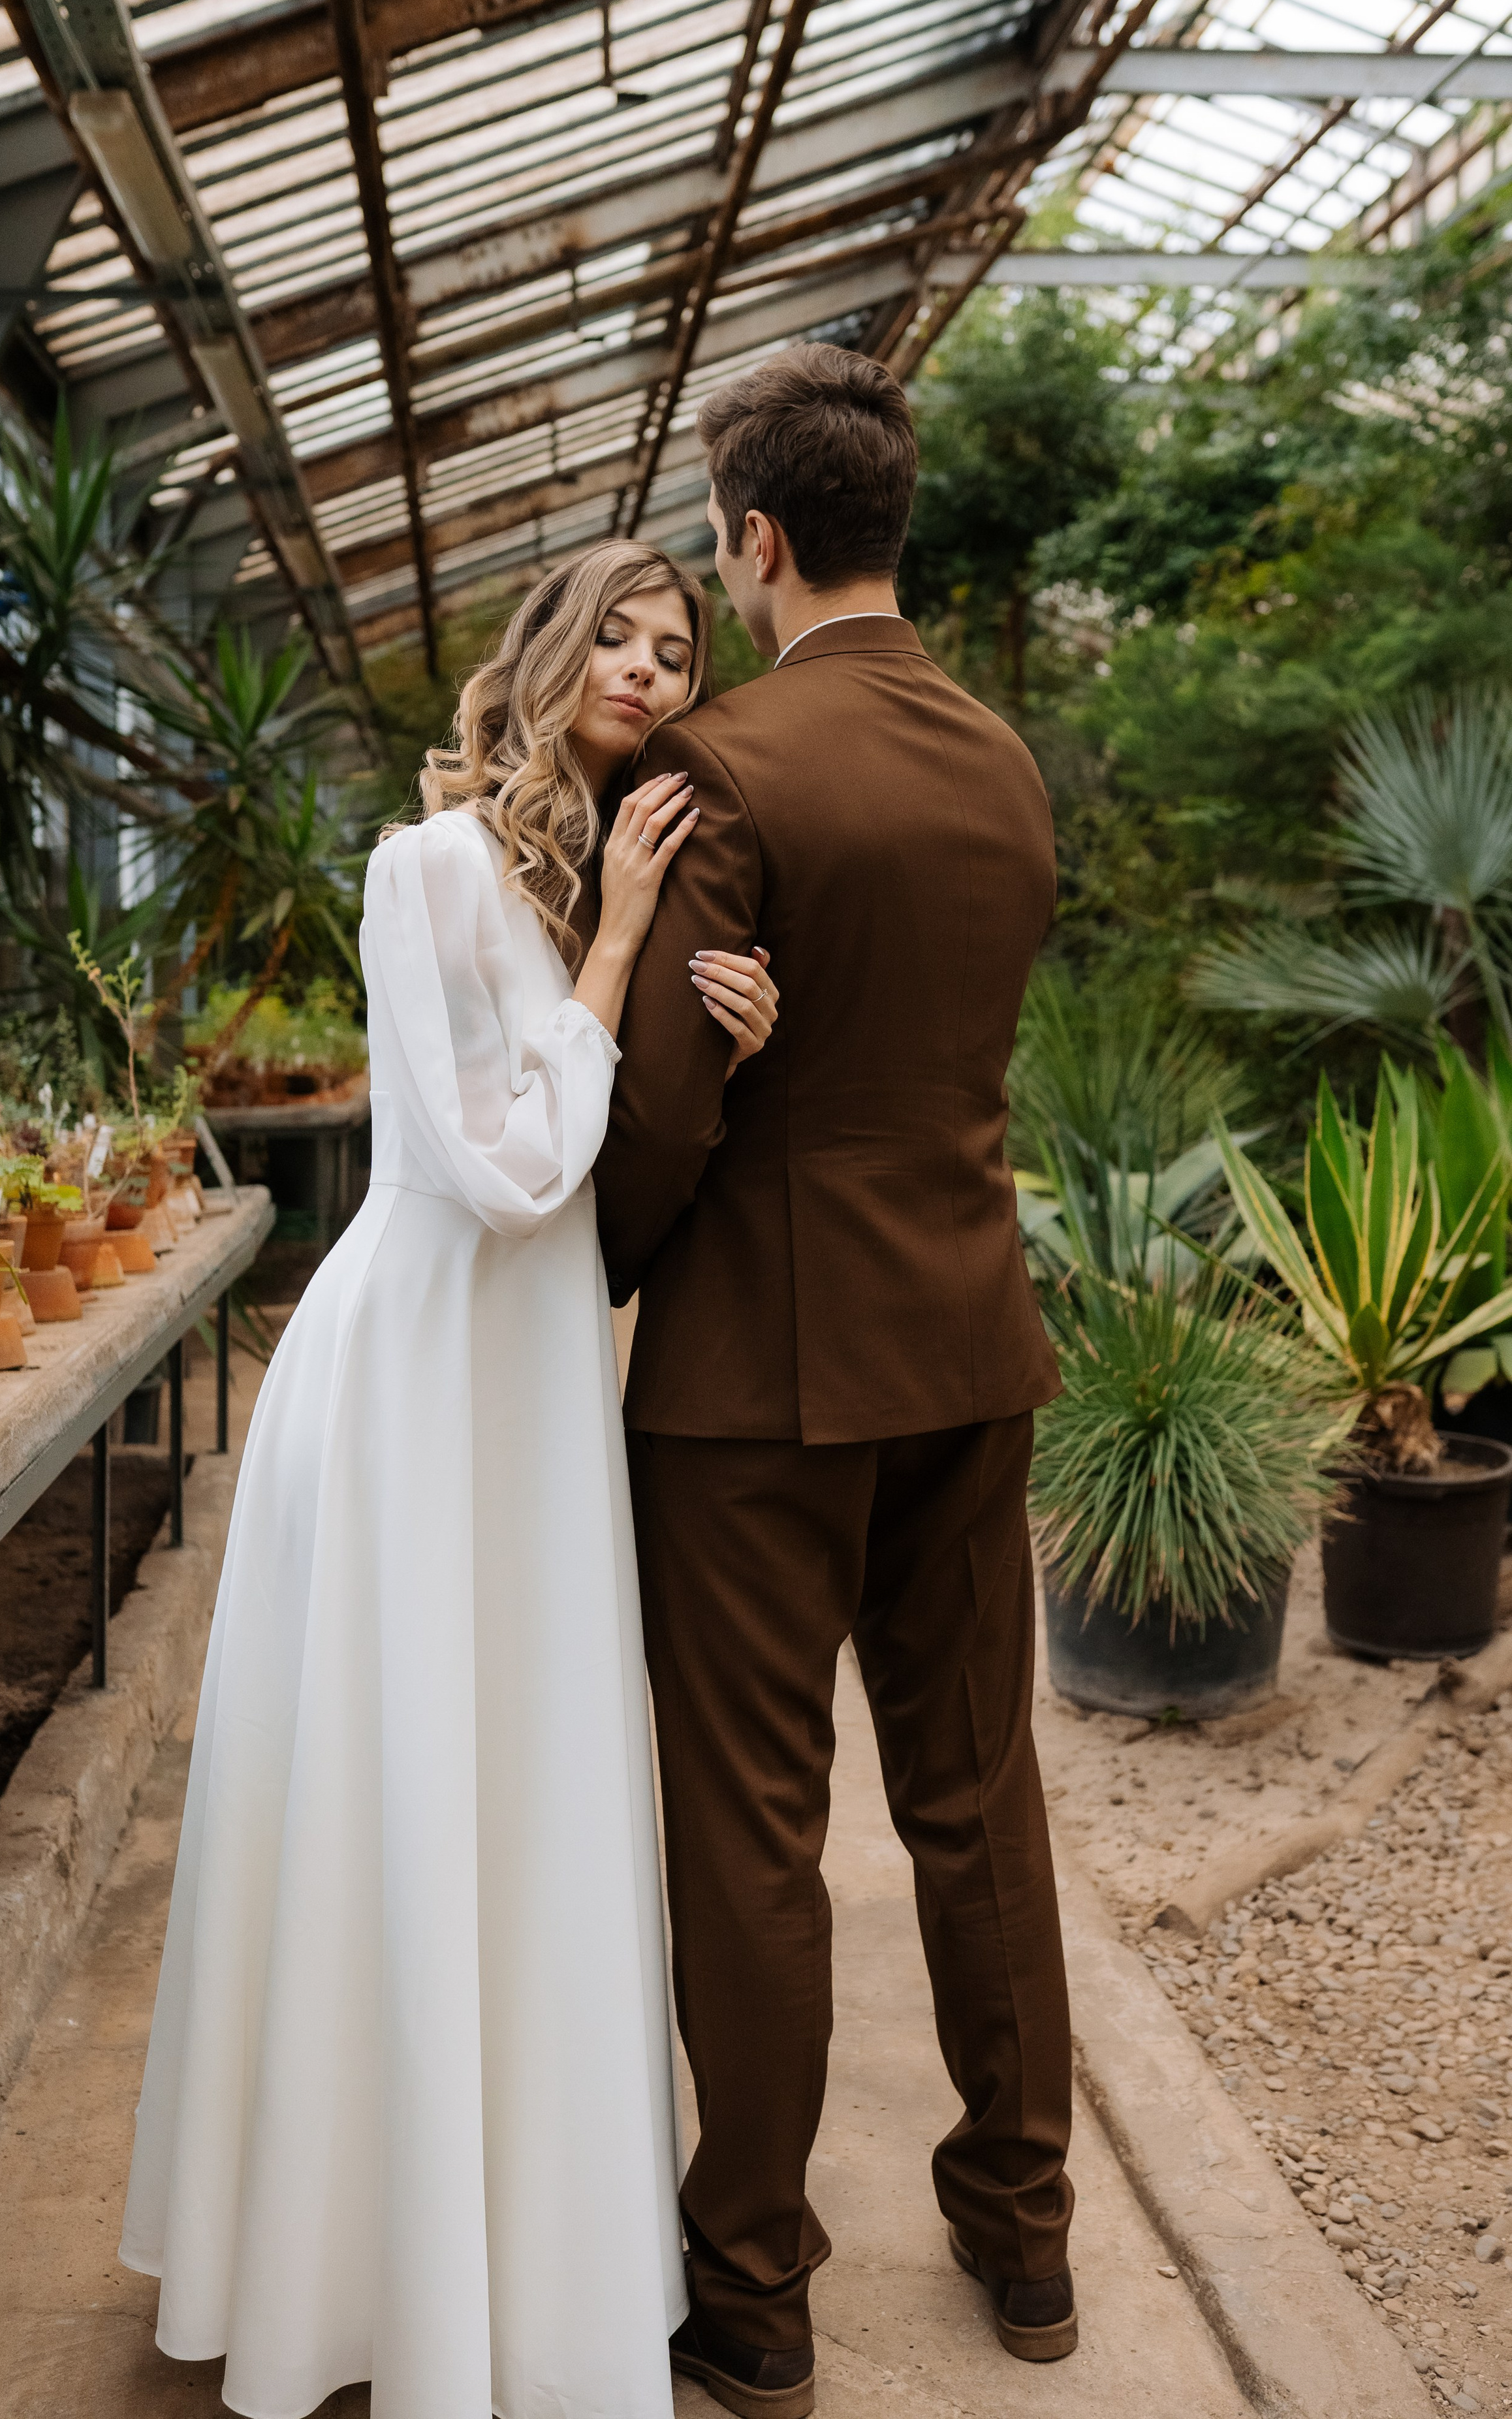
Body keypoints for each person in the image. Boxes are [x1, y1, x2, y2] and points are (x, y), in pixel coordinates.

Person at [118, 540, 779, 2419]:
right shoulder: (430, 867)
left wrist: (713, 1040)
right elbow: (506, 1169)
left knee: (525, 1789)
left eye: (679, 650)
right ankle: (357, 2289)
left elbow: (609, 1139)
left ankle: (524, 2279)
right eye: (627, 640)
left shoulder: (565, 872)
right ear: (554, 647)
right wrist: (628, 952)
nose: (652, 670)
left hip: (533, 1372)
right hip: (423, 1367)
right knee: (395, 1791)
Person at [592, 342, 1074, 2419]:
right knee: (977, 1799)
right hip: (969, 1345)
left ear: (757, 540)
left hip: (756, 1389)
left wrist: (582, 1263)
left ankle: (759, 2296)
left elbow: (669, 1120)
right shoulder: (1004, 764)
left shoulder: (718, 768)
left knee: (754, 1831)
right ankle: (1026, 2231)